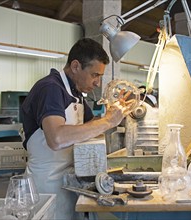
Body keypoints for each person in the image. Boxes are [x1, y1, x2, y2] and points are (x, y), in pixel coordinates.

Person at [21, 38, 133, 219]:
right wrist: (107, 122)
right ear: (75, 67)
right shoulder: (51, 89)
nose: (97, 82)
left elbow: (92, 126)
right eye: (95, 75)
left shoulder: (75, 94)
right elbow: (56, 138)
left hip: (69, 181)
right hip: (46, 187)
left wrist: (114, 111)